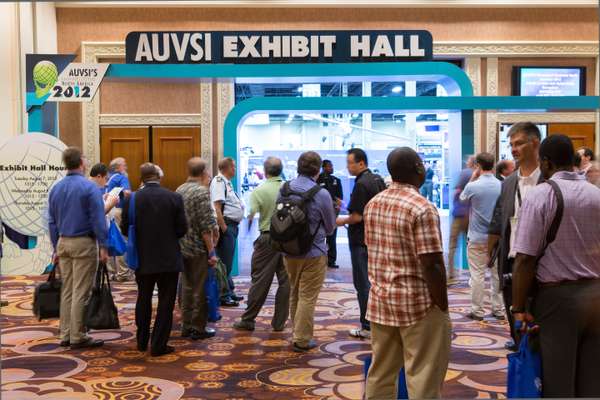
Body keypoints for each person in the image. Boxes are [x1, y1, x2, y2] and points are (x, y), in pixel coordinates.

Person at [511, 134, 600, 397]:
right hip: (595, 295)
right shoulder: (596, 193)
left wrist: (518, 308)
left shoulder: (541, 195)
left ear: (546, 162)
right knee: (592, 378)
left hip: (557, 299)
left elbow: (525, 258)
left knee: (557, 379)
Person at [364, 147, 451, 400]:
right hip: (418, 304)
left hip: (381, 299)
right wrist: (442, 304)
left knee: (380, 372)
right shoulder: (421, 208)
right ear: (417, 169)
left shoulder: (374, 203)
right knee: (422, 375)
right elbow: (432, 263)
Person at [121, 163, 188, 357]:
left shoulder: (131, 199)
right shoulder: (174, 198)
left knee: (143, 297)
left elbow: (126, 229)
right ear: (159, 176)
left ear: (141, 178)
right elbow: (182, 229)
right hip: (168, 258)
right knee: (166, 302)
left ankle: (142, 341)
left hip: (142, 257)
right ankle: (159, 344)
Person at [488, 122, 542, 351]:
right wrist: (491, 255)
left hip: (543, 265)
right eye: (511, 144)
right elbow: (498, 220)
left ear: (535, 143)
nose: (514, 149)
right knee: (516, 323)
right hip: (511, 263)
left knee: (541, 327)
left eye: (519, 143)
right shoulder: (509, 183)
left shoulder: (550, 178)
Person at [48, 147, 108, 349]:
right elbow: (98, 220)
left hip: (63, 242)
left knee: (68, 290)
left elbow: (52, 222)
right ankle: (78, 335)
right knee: (81, 291)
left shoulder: (56, 188)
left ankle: (65, 334)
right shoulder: (89, 187)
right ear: (81, 163)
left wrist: (55, 248)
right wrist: (103, 246)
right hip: (83, 242)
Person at [283, 151, 336, 352]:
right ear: (318, 169)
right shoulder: (321, 194)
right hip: (313, 252)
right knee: (307, 296)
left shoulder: (285, 188)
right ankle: (302, 339)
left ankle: (297, 332)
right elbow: (330, 228)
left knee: (295, 292)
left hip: (288, 250)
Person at [234, 157, 290, 332]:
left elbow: (250, 216)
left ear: (265, 172)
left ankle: (248, 319)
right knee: (286, 281)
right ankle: (279, 323)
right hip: (289, 239)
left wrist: (248, 238)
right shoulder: (289, 188)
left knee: (260, 280)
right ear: (281, 170)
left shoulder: (259, 190)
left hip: (267, 238)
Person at [336, 148, 386, 339]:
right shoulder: (377, 180)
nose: (348, 167)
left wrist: (339, 221)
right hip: (377, 238)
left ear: (361, 163)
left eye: (350, 163)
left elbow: (356, 217)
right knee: (377, 283)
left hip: (361, 240)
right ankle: (379, 323)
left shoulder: (361, 184)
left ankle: (367, 326)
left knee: (363, 284)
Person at [176, 158, 218, 341]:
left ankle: (185, 325)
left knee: (185, 286)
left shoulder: (179, 189)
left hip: (181, 245)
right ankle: (198, 327)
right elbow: (206, 226)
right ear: (203, 172)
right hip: (197, 248)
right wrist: (211, 251)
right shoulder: (201, 193)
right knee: (199, 288)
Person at [459, 152, 503, 321]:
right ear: (493, 165)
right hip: (497, 237)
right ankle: (498, 309)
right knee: (496, 274)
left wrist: (473, 177)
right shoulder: (502, 185)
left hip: (477, 236)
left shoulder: (473, 186)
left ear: (477, 165)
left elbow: (462, 199)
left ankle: (477, 311)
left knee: (477, 275)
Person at [210, 157, 245, 307]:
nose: (235, 169)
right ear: (227, 168)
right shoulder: (219, 182)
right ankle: (223, 295)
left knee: (227, 262)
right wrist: (223, 227)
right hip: (226, 226)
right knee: (224, 264)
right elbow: (217, 206)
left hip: (231, 226)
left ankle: (229, 291)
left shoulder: (226, 182)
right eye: (234, 167)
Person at [447, 155, 475, 282]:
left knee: (453, 245)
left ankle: (451, 274)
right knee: (471, 245)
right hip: (472, 215)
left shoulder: (465, 173)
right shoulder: (477, 175)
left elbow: (457, 192)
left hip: (459, 214)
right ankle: (473, 274)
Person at [106, 157, 133, 282]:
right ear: (117, 167)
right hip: (119, 210)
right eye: (124, 165)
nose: (126, 167)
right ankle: (123, 273)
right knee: (122, 240)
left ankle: (111, 272)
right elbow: (127, 193)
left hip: (109, 209)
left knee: (112, 239)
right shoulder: (121, 177)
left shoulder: (109, 177)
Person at [317, 159, 343, 269]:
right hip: (319, 214)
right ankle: (319, 261)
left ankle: (331, 261)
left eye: (332, 166)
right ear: (323, 167)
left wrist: (337, 206)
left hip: (332, 214)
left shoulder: (336, 180)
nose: (332, 168)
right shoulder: (317, 180)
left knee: (332, 237)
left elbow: (339, 198)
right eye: (329, 166)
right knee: (319, 237)